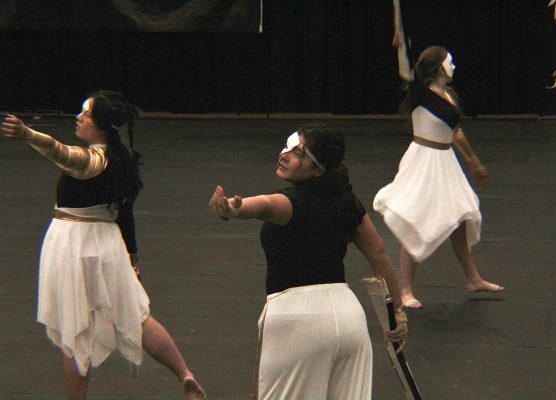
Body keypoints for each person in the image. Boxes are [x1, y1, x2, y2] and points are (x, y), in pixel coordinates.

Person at [2, 91, 206, 400]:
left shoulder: (97, 160)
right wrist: (133, 260)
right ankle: (184, 372)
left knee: (74, 332)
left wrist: (27, 134)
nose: (79, 118)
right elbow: (126, 217)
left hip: (74, 243)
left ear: (101, 126)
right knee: (138, 316)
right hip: (108, 242)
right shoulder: (124, 162)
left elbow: (62, 153)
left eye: (86, 115)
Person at [209, 127, 408, 400]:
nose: (286, 155)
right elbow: (380, 256)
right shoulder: (347, 204)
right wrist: (396, 312)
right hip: (350, 321)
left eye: (299, 153)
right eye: (290, 147)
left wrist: (233, 208)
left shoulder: (289, 203)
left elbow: (263, 205)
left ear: (317, 170)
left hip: (297, 323)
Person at [373, 46, 504, 309]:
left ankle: (473, 278)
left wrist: (473, 162)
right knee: (416, 219)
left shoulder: (447, 95)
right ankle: (406, 290)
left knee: (461, 218)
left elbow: (455, 132)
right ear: (438, 67)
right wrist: (400, 33)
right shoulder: (420, 94)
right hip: (425, 161)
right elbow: (406, 64)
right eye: (449, 62)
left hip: (446, 162)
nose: (454, 66)